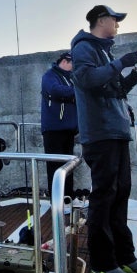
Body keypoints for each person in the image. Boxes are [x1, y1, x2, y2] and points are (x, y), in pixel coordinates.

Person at [71, 4, 137, 273]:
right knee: (104, 197)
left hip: (117, 132)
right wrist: (120, 63)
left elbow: (115, 90)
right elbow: (85, 79)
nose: (118, 25)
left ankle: (124, 257)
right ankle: (103, 264)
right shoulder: (84, 48)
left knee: (120, 194)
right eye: (115, 20)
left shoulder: (105, 53)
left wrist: (134, 75)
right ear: (100, 20)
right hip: (100, 134)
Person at [41, 52, 78, 202]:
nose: (74, 67)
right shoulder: (50, 75)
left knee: (68, 167)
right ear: (64, 61)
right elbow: (56, 91)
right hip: (53, 130)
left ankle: (67, 199)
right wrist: (79, 91)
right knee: (55, 167)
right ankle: (56, 201)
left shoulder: (70, 79)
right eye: (73, 63)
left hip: (68, 130)